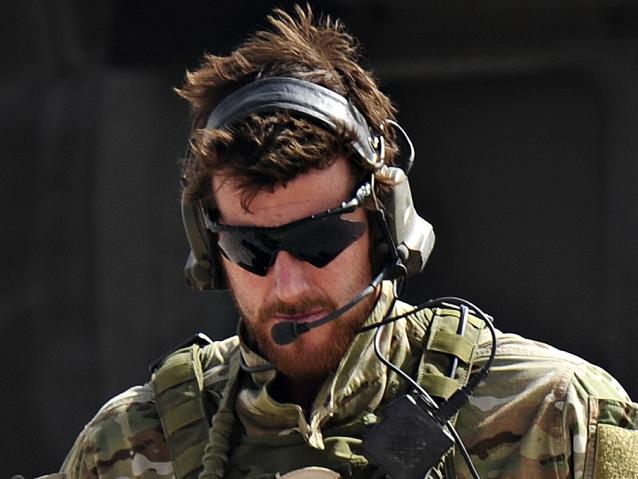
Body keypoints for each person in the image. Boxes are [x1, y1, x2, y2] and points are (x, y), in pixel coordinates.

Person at [55, 6, 638, 479]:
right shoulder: (127, 448)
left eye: (319, 239)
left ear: (386, 225)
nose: (287, 285)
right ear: (209, 252)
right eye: (250, 249)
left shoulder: (559, 419)